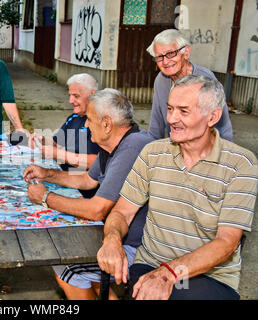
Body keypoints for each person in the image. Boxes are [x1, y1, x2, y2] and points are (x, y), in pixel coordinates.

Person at [97, 74, 257, 300]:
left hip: (211, 274)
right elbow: (122, 212)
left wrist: (170, 273)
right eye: (170, 108)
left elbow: (226, 243)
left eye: (183, 111)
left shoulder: (240, 164)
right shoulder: (153, 153)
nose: (171, 118)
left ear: (213, 116)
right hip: (151, 263)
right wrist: (112, 238)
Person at [23, 88, 153, 299]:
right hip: (119, 236)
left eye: (89, 119)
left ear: (107, 124)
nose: (85, 124)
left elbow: (97, 210)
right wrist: (46, 173)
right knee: (75, 264)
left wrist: (46, 198)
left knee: (68, 270)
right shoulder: (116, 143)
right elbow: (86, 180)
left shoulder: (132, 148)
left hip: (139, 249)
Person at [147, 29, 233, 141]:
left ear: (186, 53)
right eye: (159, 57)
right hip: (176, 146)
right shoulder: (161, 80)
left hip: (203, 149)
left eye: (171, 54)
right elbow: (156, 124)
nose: (165, 62)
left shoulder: (206, 79)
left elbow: (223, 127)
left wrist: (223, 155)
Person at [30, 73, 100, 198]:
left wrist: (58, 154)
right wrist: (42, 140)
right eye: (70, 95)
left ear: (92, 94)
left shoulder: (100, 124)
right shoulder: (74, 118)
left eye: (76, 96)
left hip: (86, 193)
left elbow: (95, 163)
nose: (70, 101)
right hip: (66, 181)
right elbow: (57, 142)